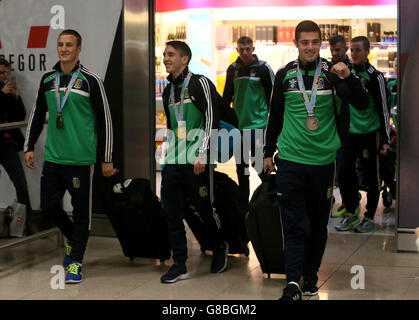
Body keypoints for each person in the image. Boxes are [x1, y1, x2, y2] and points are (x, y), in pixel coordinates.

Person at [263, 20, 368, 300]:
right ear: (296, 44)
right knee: (293, 224)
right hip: (290, 160)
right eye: (304, 42)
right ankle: (292, 284)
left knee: (319, 225)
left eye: (314, 42)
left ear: (320, 43)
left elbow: (361, 103)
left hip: (323, 162)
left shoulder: (332, 74)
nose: (309, 47)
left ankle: (310, 277)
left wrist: (349, 78)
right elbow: (275, 116)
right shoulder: (284, 76)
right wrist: (267, 151)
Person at [24, 29, 116, 284]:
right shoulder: (48, 79)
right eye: (60, 44)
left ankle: (75, 261)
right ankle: (73, 239)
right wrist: (28, 146)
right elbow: (36, 115)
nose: (64, 49)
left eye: (69, 45)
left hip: (80, 161)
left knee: (81, 214)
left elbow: (106, 121)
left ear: (79, 49)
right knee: (49, 207)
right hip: (54, 158)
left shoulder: (90, 81)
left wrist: (106, 157)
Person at [160, 40, 229, 284]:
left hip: (198, 160)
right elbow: (171, 127)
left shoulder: (200, 83)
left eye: (170, 55)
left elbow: (212, 119)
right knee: (171, 211)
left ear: (184, 59)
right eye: (164, 54)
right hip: (173, 161)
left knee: (204, 209)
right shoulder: (168, 91)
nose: (166, 58)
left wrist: (203, 153)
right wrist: (166, 155)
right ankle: (179, 264)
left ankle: (220, 245)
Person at [335, 36, 390, 234]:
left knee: (371, 176)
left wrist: (385, 139)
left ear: (367, 52)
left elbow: (384, 109)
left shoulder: (375, 77)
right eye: (352, 50)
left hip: (368, 134)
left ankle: (369, 217)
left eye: (358, 50)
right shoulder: (345, 72)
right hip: (348, 134)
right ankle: (351, 211)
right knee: (343, 171)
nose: (354, 53)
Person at [222, 36, 274, 204]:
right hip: (238, 127)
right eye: (241, 49)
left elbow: (272, 98)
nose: (244, 52)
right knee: (241, 169)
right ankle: (244, 206)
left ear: (253, 49)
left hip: (258, 126)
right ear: (237, 50)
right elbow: (226, 98)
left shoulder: (263, 69)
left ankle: (274, 195)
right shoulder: (233, 69)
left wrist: (272, 126)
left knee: (259, 165)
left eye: (248, 49)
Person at [0, 58, 33, 233]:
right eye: (0, 73)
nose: (3, 76)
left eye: (5, 73)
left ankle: (25, 223)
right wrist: (2, 95)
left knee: (20, 183)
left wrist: (16, 98)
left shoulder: (7, 90)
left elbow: (19, 116)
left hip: (7, 144)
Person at [328, 35, 355, 218]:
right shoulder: (328, 69)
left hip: (351, 129)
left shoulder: (351, 70)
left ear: (346, 48)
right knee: (334, 170)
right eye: (332, 50)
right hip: (332, 127)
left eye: (338, 49)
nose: (335, 53)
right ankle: (339, 202)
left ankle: (351, 205)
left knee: (346, 169)